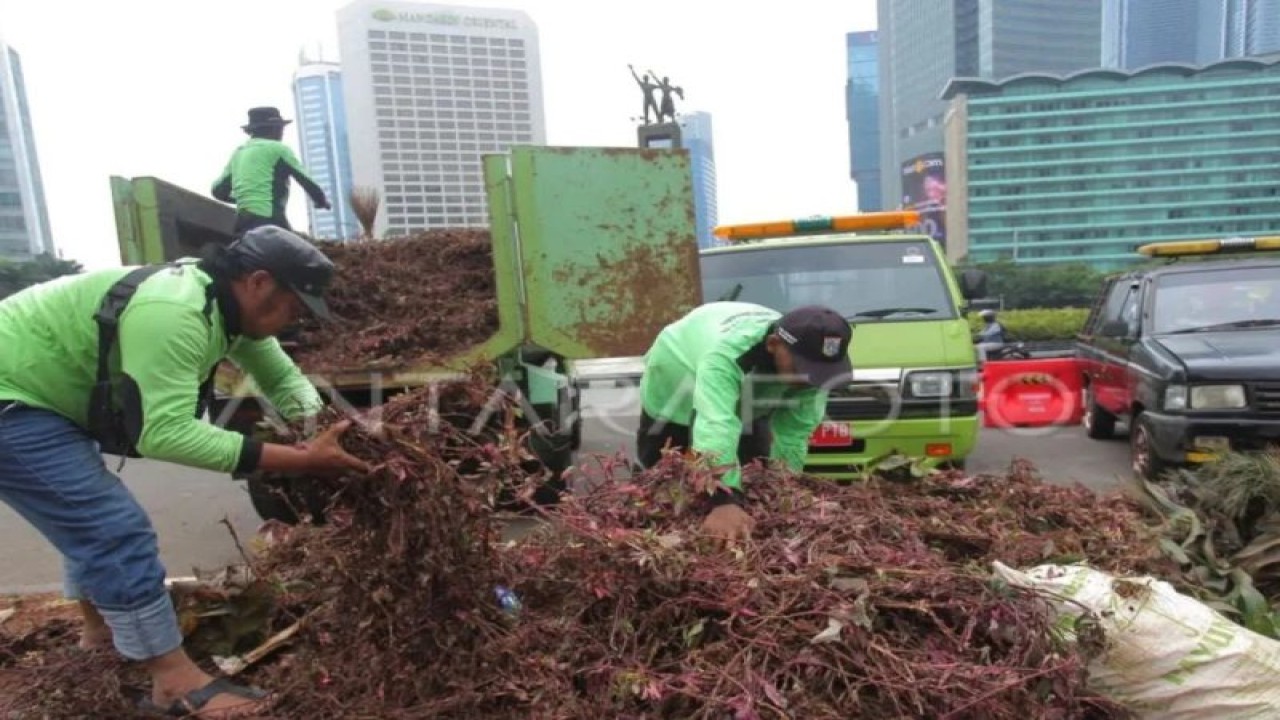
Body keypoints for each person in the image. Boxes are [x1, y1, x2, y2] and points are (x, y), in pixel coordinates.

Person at [0, 225, 369, 718]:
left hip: (42, 392)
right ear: (259, 282)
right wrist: (302, 459)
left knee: (85, 520)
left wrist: (326, 428)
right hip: (13, 397)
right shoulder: (176, 311)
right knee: (112, 528)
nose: (294, 319)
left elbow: (283, 379)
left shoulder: (226, 309)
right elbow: (165, 433)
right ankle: (173, 683)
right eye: (294, 305)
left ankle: (102, 636)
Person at [635, 302, 853, 543]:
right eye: (802, 368)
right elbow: (715, 421)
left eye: (819, 372)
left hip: (748, 393)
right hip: (675, 377)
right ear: (772, 344)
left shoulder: (811, 366)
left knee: (754, 470)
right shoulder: (727, 354)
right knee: (665, 483)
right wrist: (723, 500)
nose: (810, 379)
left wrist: (786, 488)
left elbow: (793, 434)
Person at [212, 106, 330, 234]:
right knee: (296, 249)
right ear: (274, 129)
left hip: (243, 222)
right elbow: (305, 180)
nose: (282, 133)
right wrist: (321, 201)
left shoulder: (239, 153)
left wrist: (242, 198)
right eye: (281, 128)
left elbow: (218, 190)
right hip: (270, 220)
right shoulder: (278, 149)